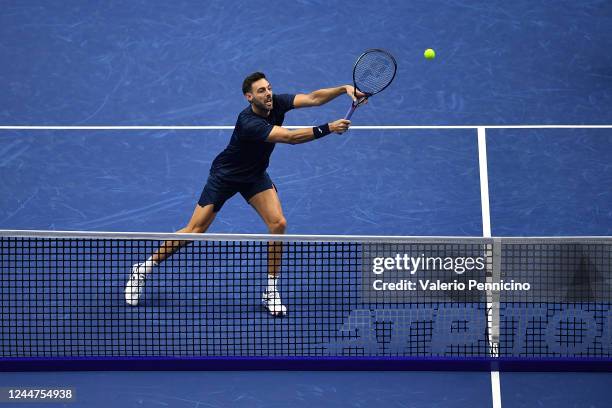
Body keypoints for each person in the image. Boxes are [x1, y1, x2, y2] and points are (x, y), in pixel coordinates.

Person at [125, 71, 364, 316]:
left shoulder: (277, 102)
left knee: (278, 224)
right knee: (195, 230)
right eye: (261, 91)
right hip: (225, 176)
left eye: (269, 88)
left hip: (255, 176)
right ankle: (142, 269)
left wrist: (344, 88)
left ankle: (270, 290)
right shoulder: (248, 122)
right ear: (249, 97)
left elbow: (313, 98)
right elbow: (291, 138)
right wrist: (329, 128)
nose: (268, 93)